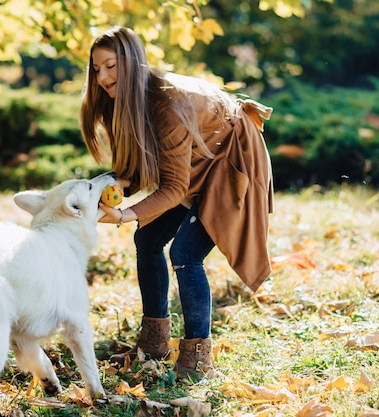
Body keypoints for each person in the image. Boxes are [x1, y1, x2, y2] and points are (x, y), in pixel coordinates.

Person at [80, 26, 274, 380]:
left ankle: (198, 358)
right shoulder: (130, 101)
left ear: (132, 62)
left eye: (110, 66)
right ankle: (154, 342)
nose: (102, 77)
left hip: (231, 161)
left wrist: (124, 214)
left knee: (185, 253)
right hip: (199, 161)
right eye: (96, 69)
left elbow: (172, 187)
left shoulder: (168, 103)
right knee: (148, 239)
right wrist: (118, 184)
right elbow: (153, 165)